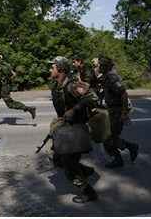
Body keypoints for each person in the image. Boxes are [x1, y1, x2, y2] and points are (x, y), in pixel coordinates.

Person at [49, 56, 99, 203]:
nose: (50, 69)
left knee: (68, 165)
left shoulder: (72, 85)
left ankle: (89, 192)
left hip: (75, 131)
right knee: (57, 159)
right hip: (65, 128)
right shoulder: (58, 85)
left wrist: (75, 109)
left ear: (61, 69)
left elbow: (93, 97)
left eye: (53, 67)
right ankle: (86, 171)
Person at [97, 56, 139, 168]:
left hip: (116, 112)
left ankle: (122, 155)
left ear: (106, 66)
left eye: (101, 65)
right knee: (111, 138)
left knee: (108, 139)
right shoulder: (106, 77)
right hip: (110, 111)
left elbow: (123, 94)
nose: (99, 67)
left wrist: (124, 113)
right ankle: (127, 150)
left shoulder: (112, 77)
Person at [0, 50, 36, 125]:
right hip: (3, 87)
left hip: (2, 88)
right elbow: (13, 74)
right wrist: (7, 81)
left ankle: (30, 109)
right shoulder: (4, 63)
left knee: (10, 104)